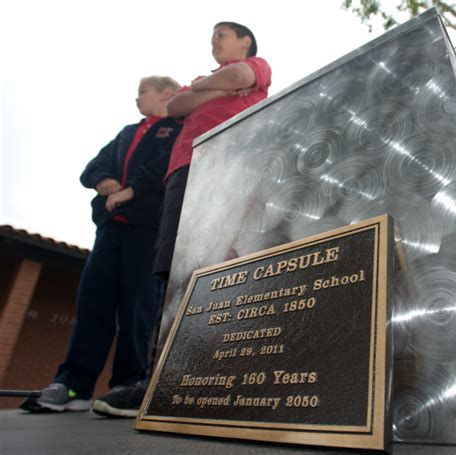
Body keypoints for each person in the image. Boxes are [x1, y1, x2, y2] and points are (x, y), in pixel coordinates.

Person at [91, 21, 272, 418]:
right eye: (211, 38)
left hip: (227, 165)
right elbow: (176, 106)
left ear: (246, 41)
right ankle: (164, 380)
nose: (214, 42)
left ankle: (223, 375)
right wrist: (216, 86)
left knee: (221, 264)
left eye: (221, 36)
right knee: (176, 271)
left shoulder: (257, 65)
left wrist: (209, 89)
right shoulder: (204, 79)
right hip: (182, 172)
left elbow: (240, 75)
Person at [21, 76, 182, 413]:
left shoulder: (176, 128)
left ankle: (126, 383)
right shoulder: (126, 133)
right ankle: (73, 385)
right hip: (110, 231)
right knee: (93, 304)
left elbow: (161, 169)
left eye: (143, 92)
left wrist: (131, 189)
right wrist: (102, 180)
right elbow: (92, 168)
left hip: (146, 230)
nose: (137, 98)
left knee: (138, 307)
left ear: (167, 94)